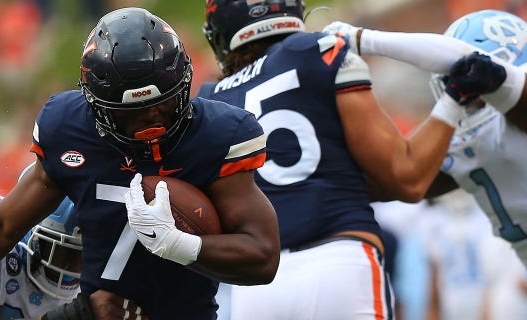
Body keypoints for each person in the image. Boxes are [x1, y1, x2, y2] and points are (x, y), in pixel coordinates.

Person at [0, 7, 280, 320]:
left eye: (162, 104)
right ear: (97, 108)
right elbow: (5, 224)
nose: (153, 122)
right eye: (133, 114)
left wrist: (183, 246)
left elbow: (263, 257)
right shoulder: (69, 128)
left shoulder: (219, 135)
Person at [197, 1, 501, 319]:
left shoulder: (211, 98)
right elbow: (407, 178)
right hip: (338, 263)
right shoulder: (317, 51)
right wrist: (454, 100)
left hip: (256, 289)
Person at [323, 10, 527, 265]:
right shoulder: (471, 141)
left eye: (472, 88)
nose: (467, 98)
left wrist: (359, 39)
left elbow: (479, 67)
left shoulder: (510, 102)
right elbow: (390, 181)